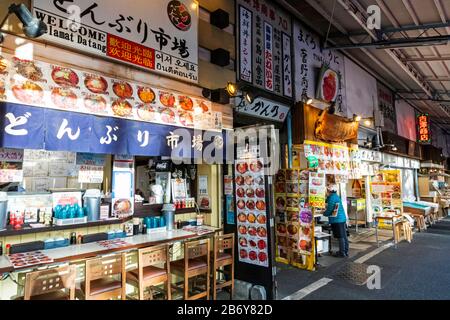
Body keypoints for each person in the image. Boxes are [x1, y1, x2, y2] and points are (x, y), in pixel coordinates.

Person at [323, 184, 349, 257]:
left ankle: (342, 253)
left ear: (328, 191)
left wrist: (324, 213)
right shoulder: (335, 196)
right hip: (341, 219)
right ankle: (345, 251)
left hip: (337, 220)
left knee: (340, 236)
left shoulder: (332, 198)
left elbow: (330, 210)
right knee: (344, 236)